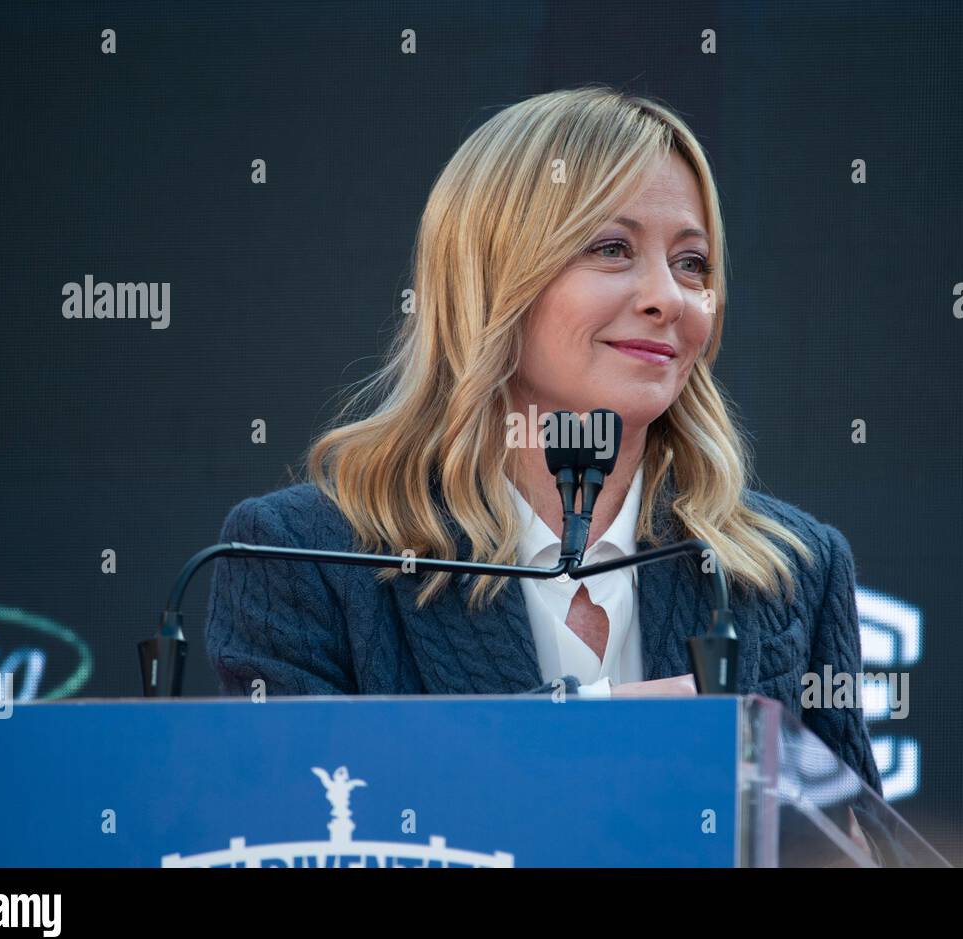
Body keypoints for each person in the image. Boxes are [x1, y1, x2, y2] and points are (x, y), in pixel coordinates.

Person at [205, 86, 883, 798]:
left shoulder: (791, 570)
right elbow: (304, 813)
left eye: (692, 264)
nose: (668, 297)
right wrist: (585, 726)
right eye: (612, 249)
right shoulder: (304, 555)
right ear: (494, 281)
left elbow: (855, 843)